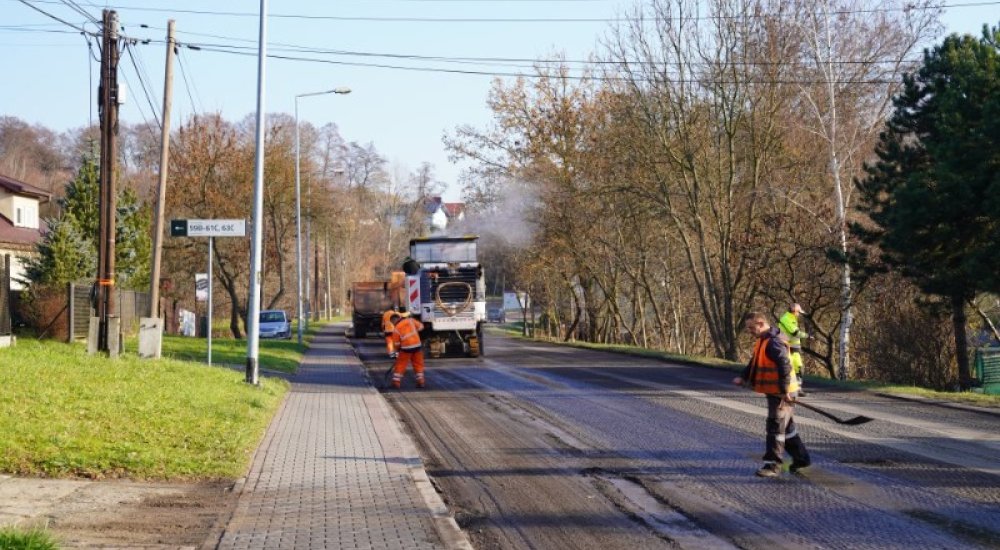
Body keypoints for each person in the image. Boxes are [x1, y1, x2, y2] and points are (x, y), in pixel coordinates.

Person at [732, 311, 811, 477]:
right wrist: (743, 376)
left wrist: (784, 391)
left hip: (783, 393)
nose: (749, 331)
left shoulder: (773, 342)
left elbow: (785, 366)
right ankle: (801, 458)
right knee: (786, 428)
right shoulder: (763, 341)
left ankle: (772, 466)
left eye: (751, 328)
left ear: (761, 323)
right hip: (777, 392)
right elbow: (754, 362)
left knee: (775, 428)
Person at [778, 303, 808, 396]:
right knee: (788, 367)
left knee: (798, 367)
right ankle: (785, 389)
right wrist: (808, 336)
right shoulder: (786, 319)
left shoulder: (792, 318)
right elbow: (795, 333)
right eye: (799, 312)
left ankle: (797, 388)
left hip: (794, 347)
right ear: (794, 311)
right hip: (787, 347)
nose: (799, 314)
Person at [390, 312, 426, 389]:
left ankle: (396, 383)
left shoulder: (396, 329)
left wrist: (398, 350)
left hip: (406, 348)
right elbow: (421, 327)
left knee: (401, 364)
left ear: (394, 320)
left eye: (392, 323)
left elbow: (396, 343)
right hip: (417, 346)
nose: (393, 324)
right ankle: (421, 382)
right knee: (418, 364)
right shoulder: (411, 320)